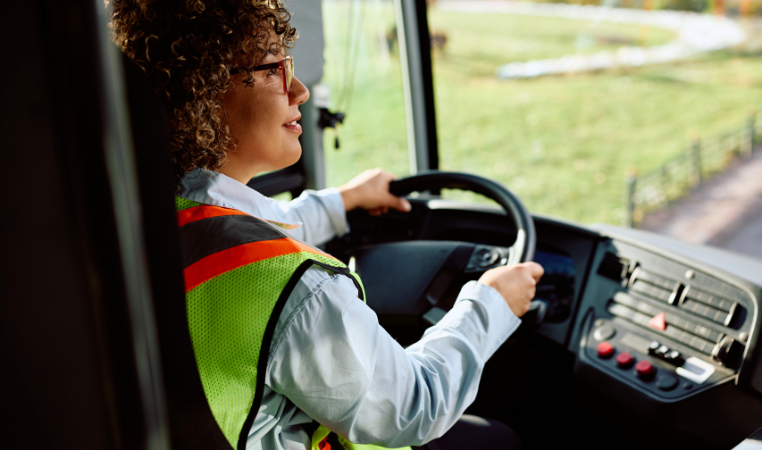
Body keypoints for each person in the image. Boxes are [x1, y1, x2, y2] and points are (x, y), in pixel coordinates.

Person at [110, 1, 544, 449]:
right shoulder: (293, 286)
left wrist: (344, 200)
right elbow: (413, 406)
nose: (299, 90)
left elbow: (248, 230)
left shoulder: (140, 214)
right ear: (202, 88)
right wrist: (491, 304)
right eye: (273, 67)